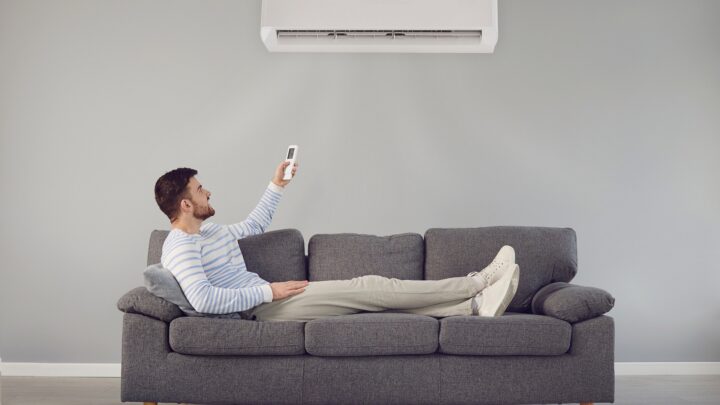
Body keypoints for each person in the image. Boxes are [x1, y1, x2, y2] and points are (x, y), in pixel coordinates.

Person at [153, 162, 520, 322]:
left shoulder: (210, 232)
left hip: (269, 299)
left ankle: (471, 308)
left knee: (368, 303)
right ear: (186, 204)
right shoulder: (182, 246)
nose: (208, 192)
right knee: (372, 287)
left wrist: (277, 184)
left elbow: (255, 223)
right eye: (201, 190)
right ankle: (478, 281)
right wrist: (270, 293)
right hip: (261, 310)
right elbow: (202, 299)